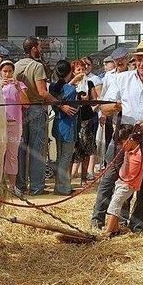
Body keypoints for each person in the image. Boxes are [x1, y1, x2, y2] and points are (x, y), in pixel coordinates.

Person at [91, 39, 143, 232]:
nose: (142, 63)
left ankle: (138, 224)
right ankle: (98, 219)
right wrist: (113, 107)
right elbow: (105, 106)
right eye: (139, 59)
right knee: (110, 178)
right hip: (123, 138)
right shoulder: (122, 79)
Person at [15, 36, 75, 195]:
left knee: (21, 150)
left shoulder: (16, 65)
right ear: (34, 48)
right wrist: (61, 105)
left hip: (20, 110)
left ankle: (20, 186)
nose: (41, 49)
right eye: (40, 46)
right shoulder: (37, 66)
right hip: (36, 109)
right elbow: (42, 92)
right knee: (37, 150)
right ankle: (36, 187)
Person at [102, 126, 143, 236]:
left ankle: (108, 231)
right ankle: (115, 229)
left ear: (130, 139)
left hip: (128, 185)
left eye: (122, 143)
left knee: (114, 205)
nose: (120, 147)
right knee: (116, 204)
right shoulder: (127, 151)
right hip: (121, 183)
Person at [0, 60, 29, 195]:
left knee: (12, 155)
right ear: (0, 72)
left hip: (14, 123)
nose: (7, 74)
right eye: (4, 71)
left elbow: (27, 104)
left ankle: (12, 186)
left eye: (10, 71)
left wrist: (18, 88)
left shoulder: (20, 85)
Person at [49, 60, 78, 195]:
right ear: (70, 73)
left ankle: (59, 185)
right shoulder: (71, 90)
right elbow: (75, 109)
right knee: (65, 158)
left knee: (60, 156)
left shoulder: (53, 88)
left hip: (57, 124)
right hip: (68, 126)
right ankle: (63, 187)